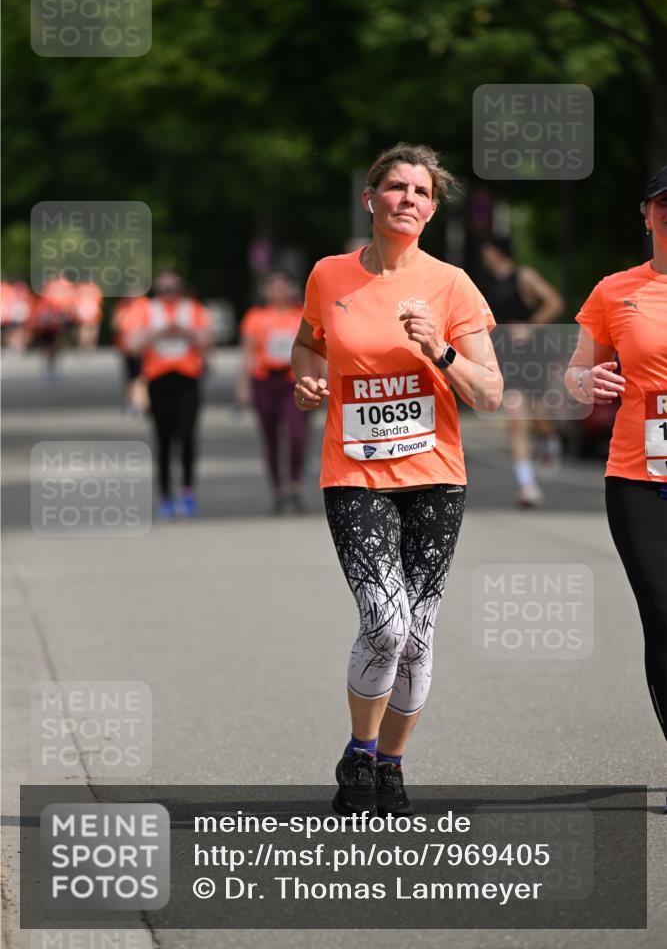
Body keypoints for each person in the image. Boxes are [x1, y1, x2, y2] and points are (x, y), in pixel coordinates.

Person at [291, 143, 502, 816]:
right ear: (369, 198)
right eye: (395, 187)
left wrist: (437, 349)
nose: (407, 199)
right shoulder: (329, 276)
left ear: (431, 210)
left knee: (418, 629)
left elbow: (490, 394)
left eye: (420, 192)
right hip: (353, 472)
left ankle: (391, 763)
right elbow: (307, 341)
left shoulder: (451, 285)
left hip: (434, 476)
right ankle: (359, 750)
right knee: (384, 620)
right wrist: (305, 377)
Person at [565, 165, 667, 770]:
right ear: (648, 215)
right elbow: (576, 376)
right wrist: (588, 381)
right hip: (638, 478)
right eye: (663, 203)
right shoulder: (615, 291)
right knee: (662, 611)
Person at [481, 237, 565, 507]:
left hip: (533, 354)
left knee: (540, 419)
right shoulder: (488, 285)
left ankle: (550, 441)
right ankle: (527, 485)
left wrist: (530, 326)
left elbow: (554, 302)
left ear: (498, 252)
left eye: (488, 251)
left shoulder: (523, 275)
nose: (485, 257)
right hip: (508, 358)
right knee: (516, 420)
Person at [129, 271, 213, 519]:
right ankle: (165, 495)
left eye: (174, 288)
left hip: (187, 378)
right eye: (164, 289)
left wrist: (184, 332)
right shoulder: (146, 310)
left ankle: (187, 490)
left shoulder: (194, 309)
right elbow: (132, 345)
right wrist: (159, 332)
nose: (169, 294)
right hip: (158, 380)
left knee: (187, 435)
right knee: (162, 439)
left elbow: (207, 341)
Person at [237, 271, 309, 514]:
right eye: (273, 287)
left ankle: (295, 485)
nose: (278, 292)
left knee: (297, 433)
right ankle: (278, 490)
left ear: (291, 289)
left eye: (283, 287)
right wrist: (243, 385)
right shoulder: (256, 317)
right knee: (270, 437)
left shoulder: (301, 315)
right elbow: (247, 353)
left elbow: (315, 349)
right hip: (265, 380)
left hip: (293, 381)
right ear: (265, 291)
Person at [111, 295, 150, 416]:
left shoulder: (145, 305)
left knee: (142, 377)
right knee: (131, 377)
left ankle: (142, 404)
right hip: (127, 348)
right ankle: (132, 403)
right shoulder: (122, 306)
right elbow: (115, 325)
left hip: (142, 349)